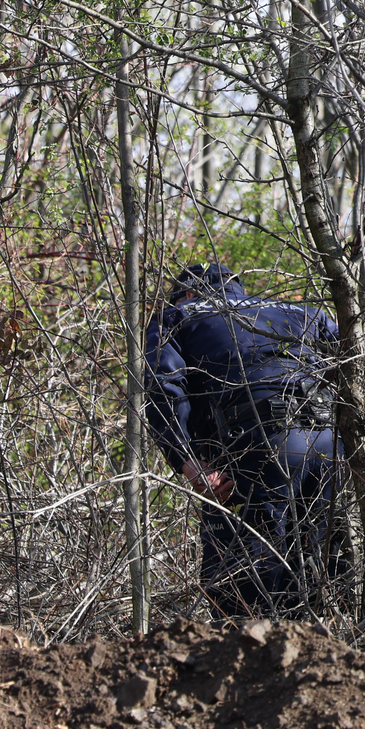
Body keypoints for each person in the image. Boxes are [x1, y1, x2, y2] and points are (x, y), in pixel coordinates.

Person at [144, 263, 346, 621]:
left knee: (242, 590)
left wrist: (188, 460)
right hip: (329, 444)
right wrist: (361, 445)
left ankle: (248, 651)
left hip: (257, 449)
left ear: (188, 293)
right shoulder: (304, 313)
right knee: (318, 576)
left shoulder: (177, 317)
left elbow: (164, 388)